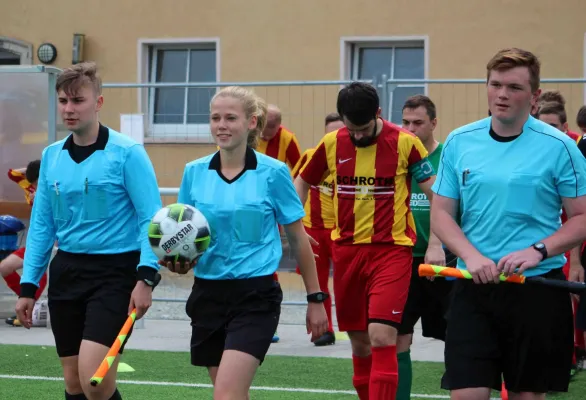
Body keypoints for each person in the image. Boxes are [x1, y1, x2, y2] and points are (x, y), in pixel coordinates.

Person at [431, 47, 586, 400]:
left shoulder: (560, 147)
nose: (502, 95)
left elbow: (582, 218)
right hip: (473, 286)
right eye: (495, 84)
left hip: (536, 291)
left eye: (514, 88)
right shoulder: (460, 141)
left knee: (526, 396)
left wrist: (538, 250)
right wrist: (470, 256)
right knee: (466, 394)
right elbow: (441, 212)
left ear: (534, 97)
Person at [14, 62, 163, 400]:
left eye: (78, 100)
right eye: (63, 101)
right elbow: (42, 225)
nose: (69, 109)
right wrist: (28, 286)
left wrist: (146, 277)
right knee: (73, 383)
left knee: (94, 380)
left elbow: (150, 221)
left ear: (98, 102)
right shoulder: (52, 156)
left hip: (117, 275)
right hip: (67, 272)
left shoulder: (127, 153)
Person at [171, 86, 328, 400]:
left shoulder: (274, 173)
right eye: (215, 118)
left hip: (255, 297)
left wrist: (316, 299)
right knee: (230, 394)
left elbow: (298, 238)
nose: (222, 125)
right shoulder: (194, 172)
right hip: (207, 296)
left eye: (231, 118)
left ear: (252, 123)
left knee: (226, 395)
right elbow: (185, 237)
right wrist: (179, 260)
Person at [295, 82, 438, 400]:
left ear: (378, 113)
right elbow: (302, 182)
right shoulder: (331, 142)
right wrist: (295, 226)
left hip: (392, 252)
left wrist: (439, 241)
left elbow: (436, 195)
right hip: (346, 252)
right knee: (360, 342)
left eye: (363, 128)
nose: (357, 136)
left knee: (383, 335)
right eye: (351, 128)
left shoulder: (406, 142)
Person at [396, 95, 454, 400]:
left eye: (418, 123)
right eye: (405, 122)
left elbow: (449, 207)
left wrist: (437, 243)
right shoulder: (397, 154)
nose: (410, 129)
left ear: (433, 123)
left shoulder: (447, 157)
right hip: (402, 259)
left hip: (443, 258)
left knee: (456, 335)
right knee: (397, 335)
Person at [291, 112, 345, 347]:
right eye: (329, 133)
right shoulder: (311, 157)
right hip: (313, 230)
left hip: (341, 231)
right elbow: (296, 187)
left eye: (339, 132)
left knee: (347, 283)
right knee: (317, 283)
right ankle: (324, 330)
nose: (334, 137)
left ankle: (359, 329)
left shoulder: (353, 159)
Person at [3, 160, 49, 326]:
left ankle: (31, 304)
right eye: (34, 183)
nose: (36, 186)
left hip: (51, 239)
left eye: (38, 182)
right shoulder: (29, 186)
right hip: (37, 238)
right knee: (5, 267)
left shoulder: (53, 188)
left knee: (38, 268)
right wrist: (32, 168)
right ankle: (28, 301)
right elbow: (12, 174)